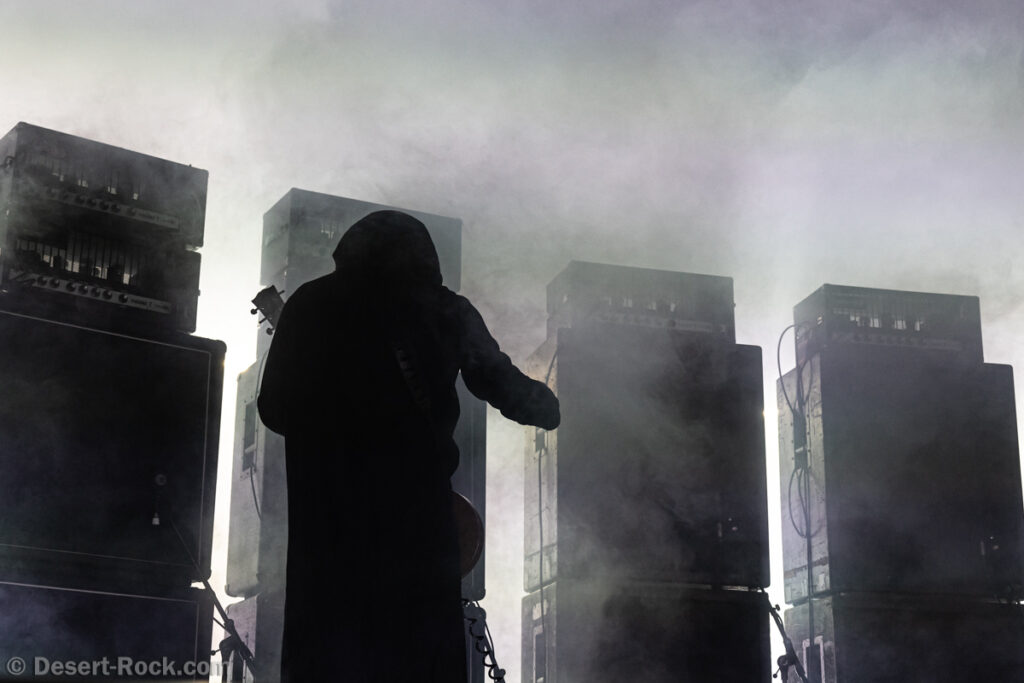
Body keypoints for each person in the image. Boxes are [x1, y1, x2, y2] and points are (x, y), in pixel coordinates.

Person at [257, 210, 560, 683]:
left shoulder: (311, 303)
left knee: (329, 650)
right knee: (419, 652)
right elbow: (499, 381)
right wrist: (550, 405)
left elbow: (274, 408)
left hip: (329, 523)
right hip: (417, 520)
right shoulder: (444, 310)